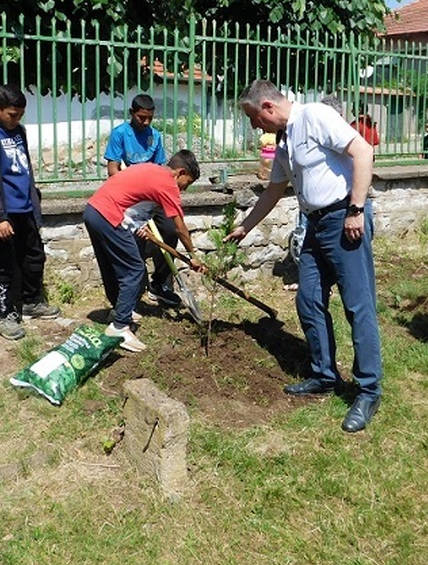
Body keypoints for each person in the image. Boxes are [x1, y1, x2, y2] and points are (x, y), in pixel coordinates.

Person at [225, 80, 383, 434]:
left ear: (267, 107)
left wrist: (356, 210)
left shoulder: (316, 116)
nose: (254, 127)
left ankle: (368, 390)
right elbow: (274, 191)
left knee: (358, 306)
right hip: (314, 224)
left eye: (253, 118)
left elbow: (363, 151)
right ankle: (324, 375)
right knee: (308, 300)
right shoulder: (284, 141)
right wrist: (245, 227)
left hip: (345, 219)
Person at [84, 150, 203, 352]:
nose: (184, 189)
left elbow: (129, 198)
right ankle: (119, 326)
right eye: (187, 183)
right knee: (134, 270)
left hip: (93, 211)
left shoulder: (151, 170)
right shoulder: (167, 183)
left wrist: (135, 225)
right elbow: (179, 228)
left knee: (113, 266)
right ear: (180, 172)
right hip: (109, 216)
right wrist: (194, 255)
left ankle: (118, 311)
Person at [0, 84, 60, 340]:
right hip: (3, 214)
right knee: (4, 266)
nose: (17, 120)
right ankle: (5, 314)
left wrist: (34, 202)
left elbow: (24, 169)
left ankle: (31, 302)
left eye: (20, 115)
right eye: (12, 115)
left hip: (25, 209)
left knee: (33, 259)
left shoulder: (19, 131)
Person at [103, 94, 182, 309]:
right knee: (134, 240)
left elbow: (160, 171)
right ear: (132, 114)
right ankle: (134, 291)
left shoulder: (154, 136)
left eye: (149, 118)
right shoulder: (120, 134)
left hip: (152, 197)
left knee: (170, 230)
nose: (145, 122)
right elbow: (113, 170)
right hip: (129, 197)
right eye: (141, 118)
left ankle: (161, 283)